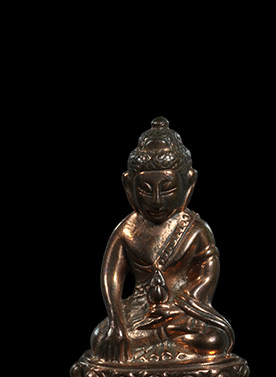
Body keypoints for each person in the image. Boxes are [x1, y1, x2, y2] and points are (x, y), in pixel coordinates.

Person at [90, 116, 234, 363]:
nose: (157, 200)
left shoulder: (195, 229)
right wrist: (116, 321)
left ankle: (161, 338)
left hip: (182, 310)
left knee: (214, 340)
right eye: (145, 189)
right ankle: (157, 340)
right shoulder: (127, 231)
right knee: (100, 339)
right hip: (139, 311)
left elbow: (208, 269)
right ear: (128, 186)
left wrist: (185, 302)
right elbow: (110, 276)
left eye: (168, 189)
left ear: (189, 183)